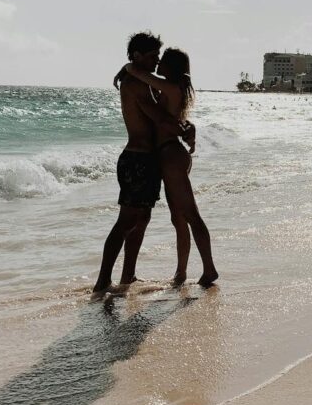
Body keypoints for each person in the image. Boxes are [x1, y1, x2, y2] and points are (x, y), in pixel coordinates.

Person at [91, 32, 189, 300]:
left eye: (158, 55)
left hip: (146, 160)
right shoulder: (134, 85)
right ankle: (102, 282)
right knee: (126, 222)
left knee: (141, 220)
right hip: (136, 159)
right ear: (137, 56)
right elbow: (159, 118)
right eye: (152, 55)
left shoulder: (141, 82)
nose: (157, 60)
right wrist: (184, 130)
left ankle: (128, 276)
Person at [120, 48, 219, 288]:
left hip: (170, 154)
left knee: (191, 215)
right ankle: (181, 274)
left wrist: (126, 67)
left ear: (171, 67)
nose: (159, 63)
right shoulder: (174, 89)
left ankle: (209, 269)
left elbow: (138, 72)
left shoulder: (170, 87)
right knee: (178, 218)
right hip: (170, 154)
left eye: (162, 61)